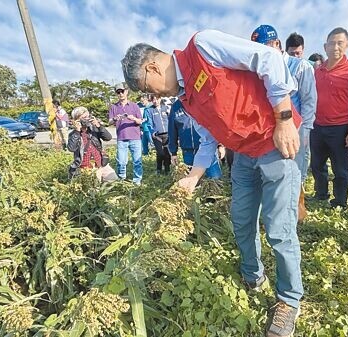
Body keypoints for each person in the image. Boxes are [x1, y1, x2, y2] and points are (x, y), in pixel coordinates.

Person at [122, 29, 303, 337]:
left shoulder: (203, 46)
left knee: (279, 229)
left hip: (275, 144)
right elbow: (209, 139)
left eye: (146, 88)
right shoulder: (186, 98)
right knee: (242, 221)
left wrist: (284, 120)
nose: (153, 96)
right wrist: (192, 178)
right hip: (244, 156)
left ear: (152, 67)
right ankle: (252, 275)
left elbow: (269, 58)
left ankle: (288, 300)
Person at [251, 24, 317, 221]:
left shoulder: (300, 66)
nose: (261, 52)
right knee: (275, 175)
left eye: (264, 47)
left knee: (295, 174)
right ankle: (276, 214)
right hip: (272, 133)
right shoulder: (260, 67)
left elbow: (309, 102)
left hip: (296, 131)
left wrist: (304, 133)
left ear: (277, 43)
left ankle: (297, 215)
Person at [311, 27, 348, 209]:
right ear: (325, 46)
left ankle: (340, 202)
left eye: (340, 43)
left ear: (347, 45)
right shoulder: (318, 71)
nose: (336, 47)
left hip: (341, 127)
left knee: (341, 169)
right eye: (332, 43)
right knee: (317, 165)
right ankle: (321, 194)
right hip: (317, 126)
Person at [168, 99, 222, 178]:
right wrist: (173, 153)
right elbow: (172, 130)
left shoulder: (200, 99)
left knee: (215, 178)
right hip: (188, 153)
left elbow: (216, 123)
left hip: (208, 150)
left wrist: (220, 145)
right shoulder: (176, 107)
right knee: (192, 182)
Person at [67, 106, 117, 182]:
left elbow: (108, 138)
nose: (87, 119)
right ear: (77, 120)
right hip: (86, 167)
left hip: (100, 163)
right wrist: (77, 131)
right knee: (94, 188)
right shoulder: (73, 134)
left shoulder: (94, 129)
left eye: (88, 116)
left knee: (114, 180)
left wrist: (99, 126)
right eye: (84, 117)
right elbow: (71, 148)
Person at [108, 83, 144, 185]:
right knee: (121, 162)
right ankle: (121, 180)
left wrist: (133, 118)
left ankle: (137, 181)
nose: (120, 94)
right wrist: (116, 118)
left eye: (122, 91)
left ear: (126, 92)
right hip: (121, 138)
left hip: (135, 137)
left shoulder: (134, 106)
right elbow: (109, 121)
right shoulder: (114, 107)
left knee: (137, 161)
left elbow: (140, 121)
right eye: (118, 92)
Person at [147, 95, 171, 174]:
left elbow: (170, 119)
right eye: (153, 99)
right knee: (160, 153)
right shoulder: (150, 110)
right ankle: (159, 168)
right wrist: (152, 132)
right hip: (157, 135)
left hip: (167, 134)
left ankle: (167, 169)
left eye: (157, 99)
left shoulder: (165, 108)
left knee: (167, 153)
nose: (155, 101)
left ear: (160, 98)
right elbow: (149, 123)